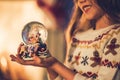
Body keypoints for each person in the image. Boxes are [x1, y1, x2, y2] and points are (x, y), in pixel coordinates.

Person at [10, 0, 120, 80]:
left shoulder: (116, 36)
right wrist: (48, 63)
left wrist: (55, 64)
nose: (81, 1)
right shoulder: (78, 36)